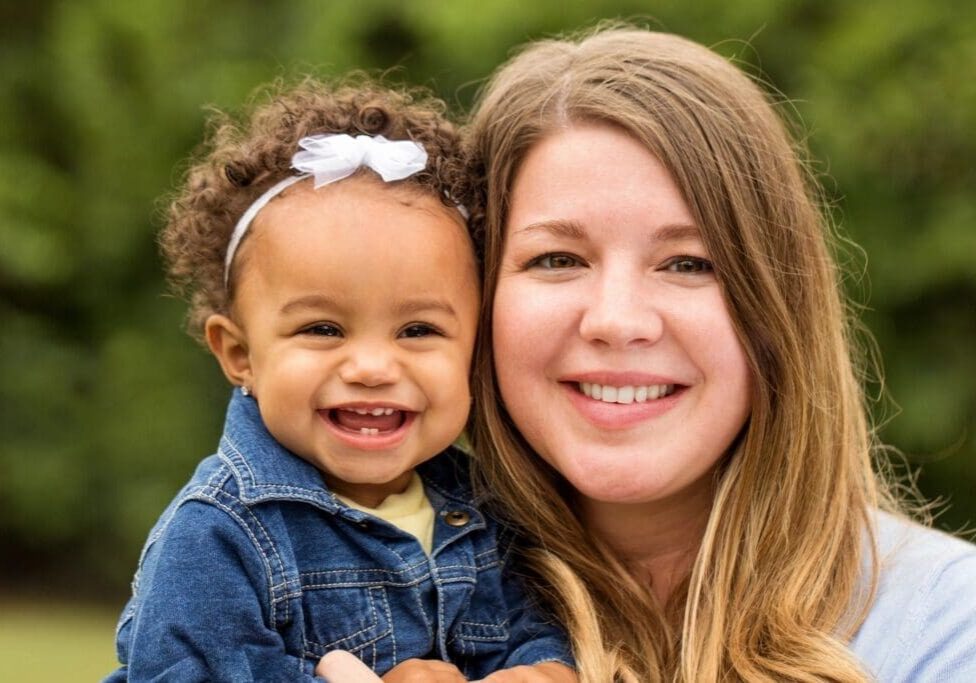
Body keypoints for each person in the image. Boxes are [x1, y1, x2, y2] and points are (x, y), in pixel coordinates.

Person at [457, 26, 976, 683]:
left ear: (778, 306)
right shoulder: (337, 604)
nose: (618, 320)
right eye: (557, 258)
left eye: (687, 262)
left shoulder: (945, 628)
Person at [105, 78, 574, 683]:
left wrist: (540, 670)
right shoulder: (218, 535)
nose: (373, 368)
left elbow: (532, 629)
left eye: (418, 330)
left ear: (476, 348)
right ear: (240, 353)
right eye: (323, 329)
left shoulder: (488, 507)